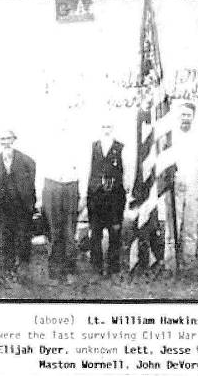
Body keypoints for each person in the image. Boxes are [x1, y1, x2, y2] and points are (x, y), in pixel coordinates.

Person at [39, 109, 85, 283]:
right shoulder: (46, 142)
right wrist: (39, 196)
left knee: (69, 230)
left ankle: (69, 270)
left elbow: (82, 167)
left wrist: (82, 193)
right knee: (53, 230)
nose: (62, 125)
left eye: (65, 122)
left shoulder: (77, 141)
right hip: (51, 186)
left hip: (71, 186)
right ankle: (55, 272)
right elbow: (40, 169)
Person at [85, 115, 130, 276]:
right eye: (103, 127)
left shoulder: (121, 147)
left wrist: (124, 188)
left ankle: (113, 267)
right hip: (96, 195)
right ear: (100, 129)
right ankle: (96, 266)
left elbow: (126, 171)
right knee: (95, 231)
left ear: (113, 128)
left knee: (114, 230)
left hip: (114, 196)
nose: (106, 130)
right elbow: (87, 170)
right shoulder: (93, 146)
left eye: (109, 127)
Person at [163, 102, 198, 271]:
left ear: (193, 117)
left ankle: (189, 259)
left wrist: (197, 180)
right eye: (183, 115)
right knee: (172, 223)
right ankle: (170, 261)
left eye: (189, 115)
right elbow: (165, 162)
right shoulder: (171, 137)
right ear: (178, 116)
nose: (186, 118)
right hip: (174, 184)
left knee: (190, 225)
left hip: (193, 183)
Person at [0, 129, 36, 281]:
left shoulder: (25, 160)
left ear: (13, 140)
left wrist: (29, 199)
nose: (5, 142)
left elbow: (31, 182)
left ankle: (23, 268)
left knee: (23, 237)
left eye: (8, 138)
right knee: (7, 237)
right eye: (2, 139)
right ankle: (8, 268)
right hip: (4, 207)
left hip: (21, 206)